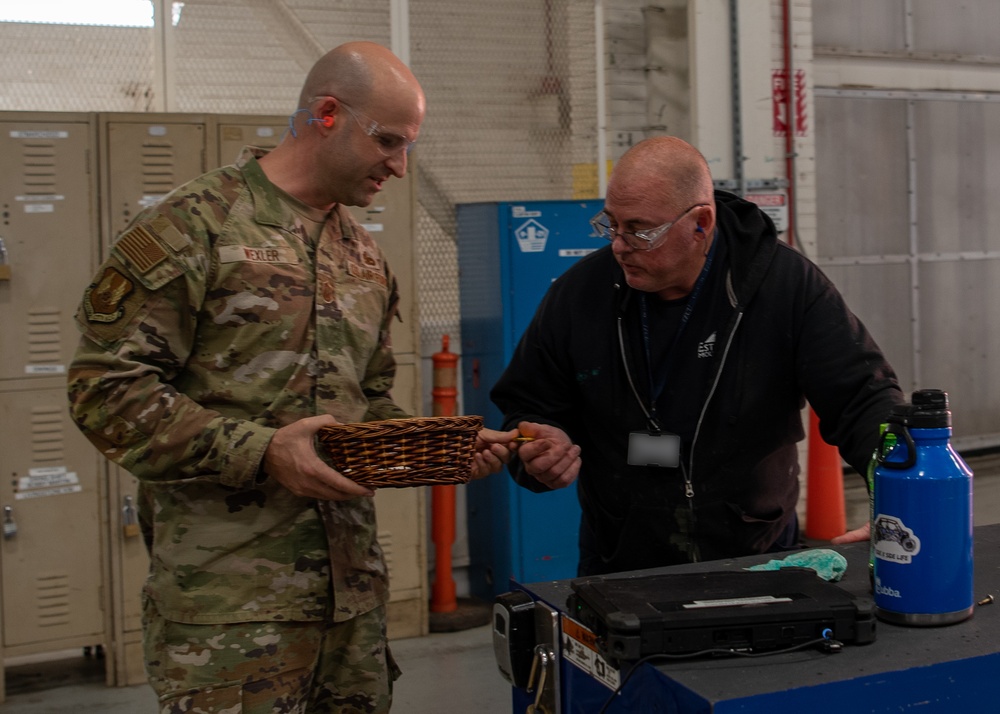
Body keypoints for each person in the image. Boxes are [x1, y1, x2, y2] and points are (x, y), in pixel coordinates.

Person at [67, 41, 515, 713]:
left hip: (352, 605)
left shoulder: (362, 256)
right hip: (230, 611)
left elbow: (366, 403)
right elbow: (103, 389)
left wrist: (438, 450)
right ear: (327, 114)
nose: (399, 166)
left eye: (408, 147)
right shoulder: (193, 228)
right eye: (388, 141)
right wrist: (261, 452)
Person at [490, 136, 903, 577]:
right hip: (621, 564)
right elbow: (527, 405)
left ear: (701, 223)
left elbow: (863, 398)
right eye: (610, 224)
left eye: (640, 230)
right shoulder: (579, 295)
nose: (619, 245)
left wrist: (904, 499)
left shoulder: (784, 287)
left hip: (758, 555)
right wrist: (537, 448)